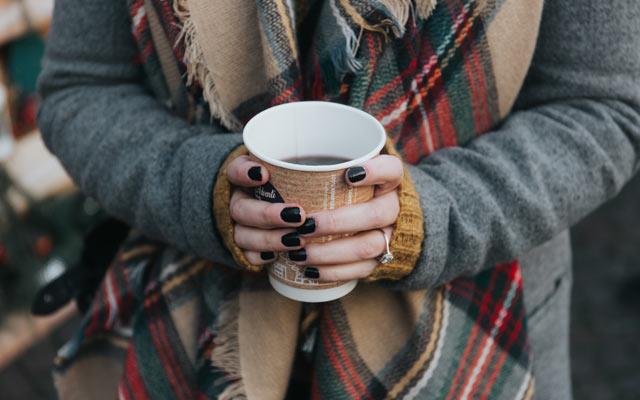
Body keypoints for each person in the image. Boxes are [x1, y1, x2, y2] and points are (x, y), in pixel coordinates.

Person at [37, 0, 639, 399]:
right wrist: (204, 190)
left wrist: (427, 220)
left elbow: (605, 107)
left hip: (471, 342)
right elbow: (82, 86)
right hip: (201, 343)